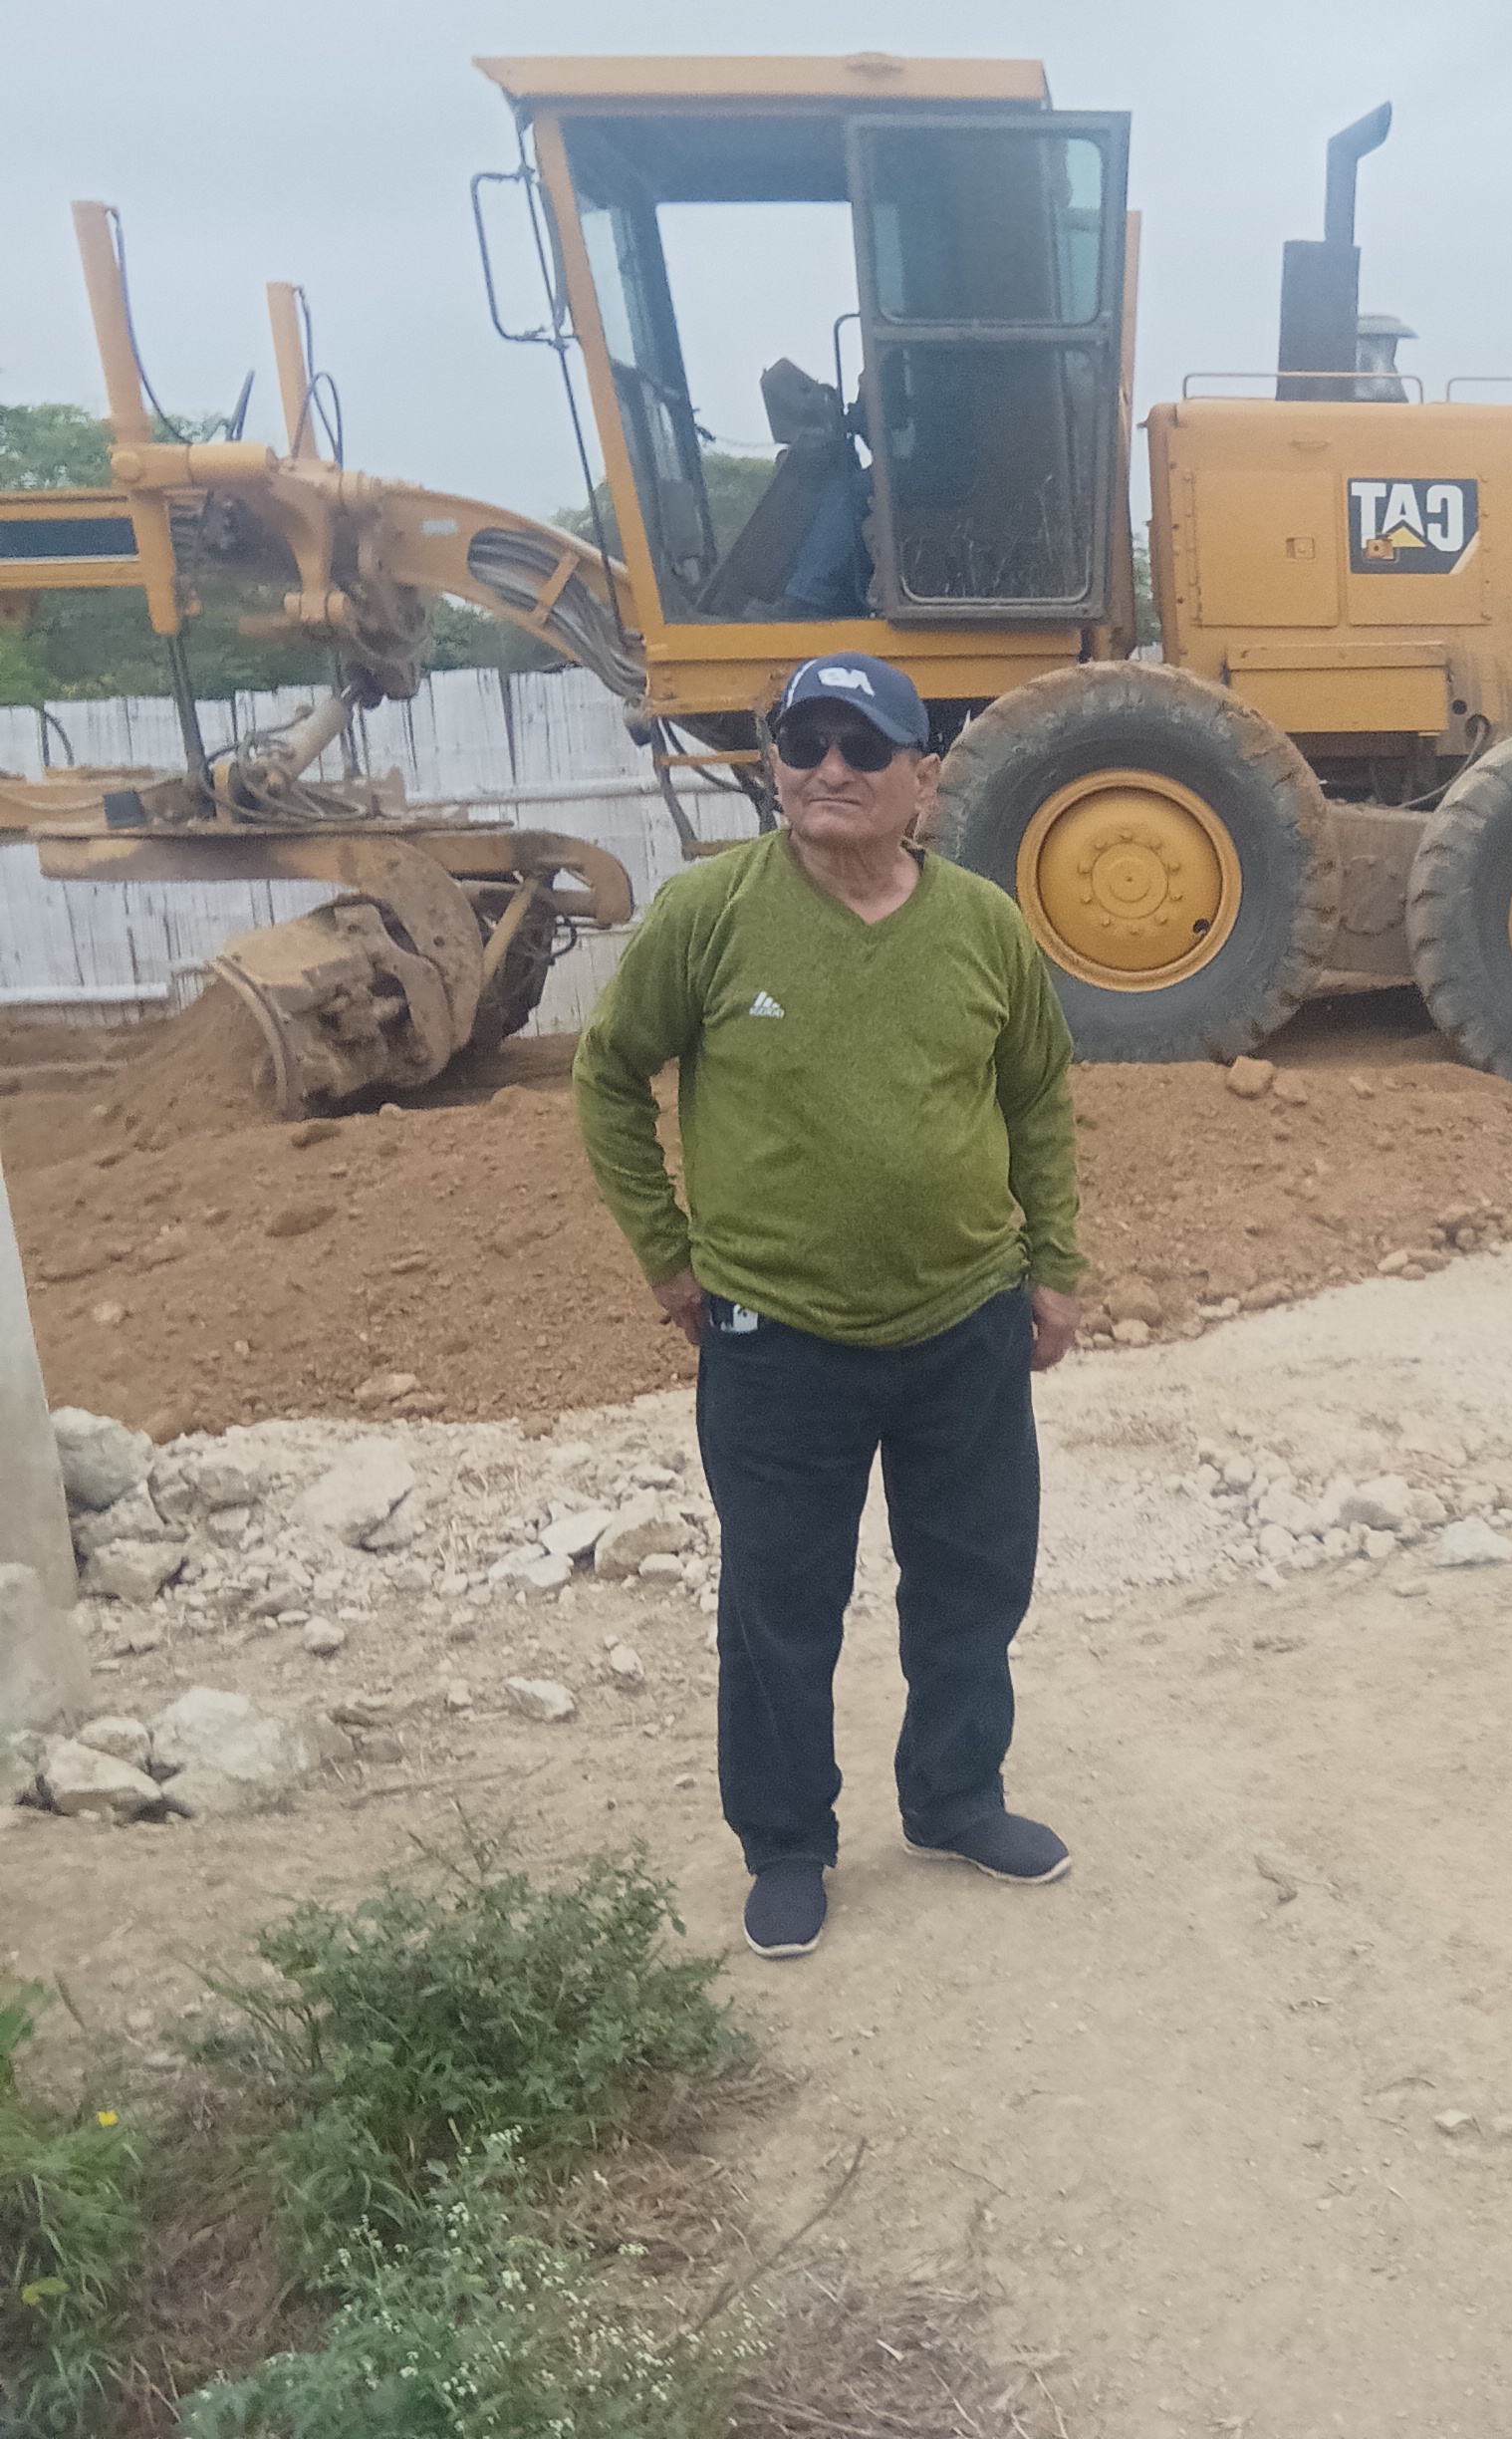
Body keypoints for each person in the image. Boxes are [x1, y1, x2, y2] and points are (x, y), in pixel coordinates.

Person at [574, 651, 1087, 1963]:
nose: (830, 770)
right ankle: (788, 1844)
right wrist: (666, 1256)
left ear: (925, 778)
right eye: (804, 744)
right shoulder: (709, 914)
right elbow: (608, 1075)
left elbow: (1035, 1098)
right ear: (775, 765)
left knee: (972, 1579)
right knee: (779, 1602)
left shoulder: (983, 926)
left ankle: (957, 1797)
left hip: (965, 1319)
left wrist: (1055, 1263)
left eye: (864, 747)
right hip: (775, 1335)